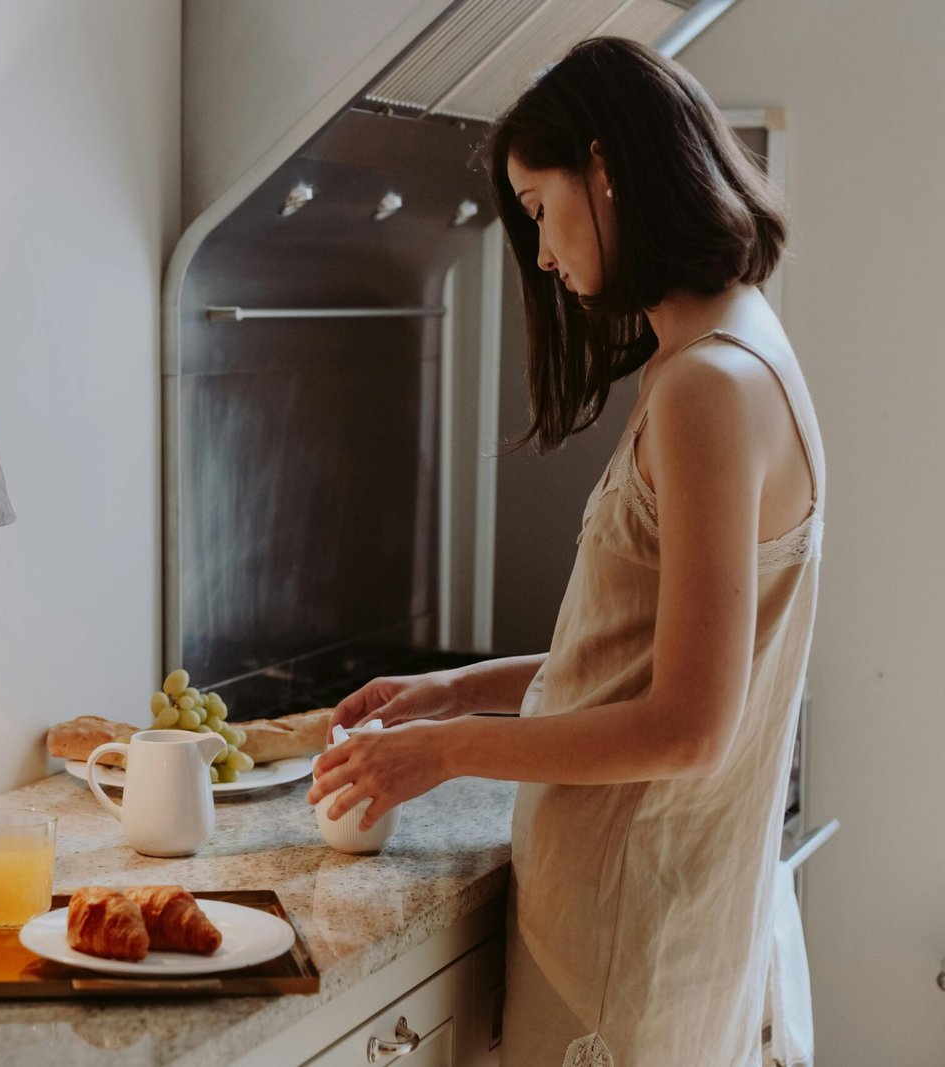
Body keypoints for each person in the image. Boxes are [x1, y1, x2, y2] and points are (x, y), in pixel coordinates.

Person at [306, 36, 823, 1066]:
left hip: (625, 949)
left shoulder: (706, 387)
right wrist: (454, 690)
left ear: (604, 169)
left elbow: (685, 728)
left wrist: (444, 751)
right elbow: (638, 659)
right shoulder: (736, 343)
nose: (540, 255)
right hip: (641, 928)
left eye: (539, 209)